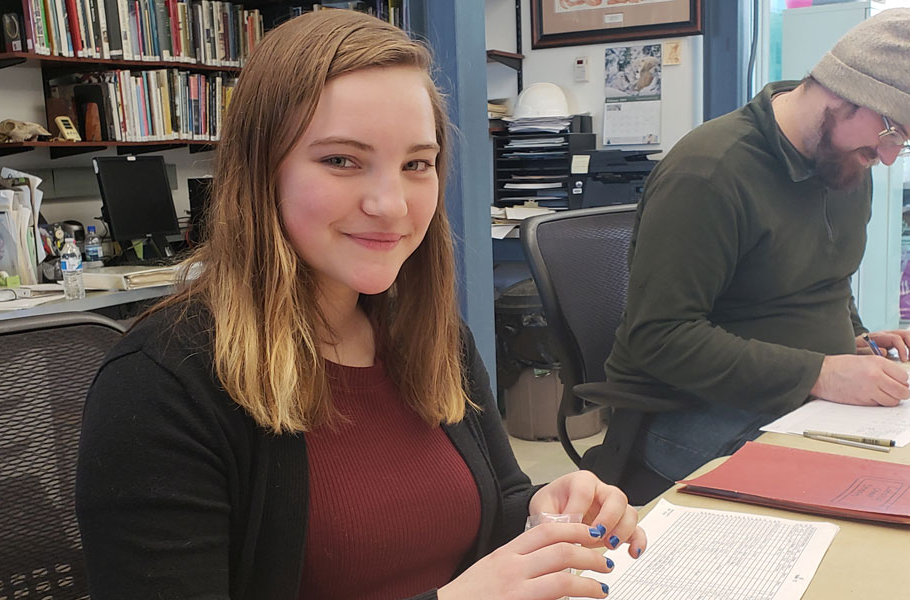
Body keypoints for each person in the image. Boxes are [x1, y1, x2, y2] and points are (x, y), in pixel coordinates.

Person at [75, 10, 646, 600]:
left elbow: (491, 503)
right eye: (342, 160)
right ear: (260, 172)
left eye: (416, 164)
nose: (391, 204)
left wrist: (538, 513)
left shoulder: (433, 339)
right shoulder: (160, 383)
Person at [604, 8, 910, 491]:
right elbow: (659, 337)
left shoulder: (847, 162)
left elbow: (827, 278)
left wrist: (850, 337)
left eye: (908, 144)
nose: (890, 156)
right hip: (683, 413)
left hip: (789, 397)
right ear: (844, 91)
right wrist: (820, 371)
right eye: (892, 132)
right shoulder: (710, 174)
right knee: (858, 487)